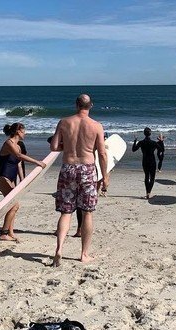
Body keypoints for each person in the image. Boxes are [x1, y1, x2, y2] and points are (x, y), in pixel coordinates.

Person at [50, 94, 108, 266]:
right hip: (87, 169)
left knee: (66, 212)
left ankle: (59, 249)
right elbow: (102, 153)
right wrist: (104, 176)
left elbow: (53, 146)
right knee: (87, 212)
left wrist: (67, 146)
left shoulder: (64, 122)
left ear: (76, 105)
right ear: (91, 106)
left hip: (68, 167)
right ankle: (84, 254)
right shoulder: (96, 126)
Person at [0, 122, 46, 241]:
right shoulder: (8, 143)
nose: (25, 133)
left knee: (12, 204)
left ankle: (10, 232)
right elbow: (18, 156)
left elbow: (18, 164)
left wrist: (23, 180)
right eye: (24, 131)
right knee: (14, 205)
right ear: (18, 131)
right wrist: (37, 162)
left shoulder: (18, 145)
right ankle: (3, 233)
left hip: (11, 178)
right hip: (2, 177)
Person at [132, 127, 164, 199]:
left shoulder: (141, 142)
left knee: (146, 176)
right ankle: (149, 193)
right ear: (150, 134)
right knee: (152, 178)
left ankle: (147, 193)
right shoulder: (153, 143)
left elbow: (133, 149)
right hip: (152, 161)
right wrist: (161, 141)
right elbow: (162, 150)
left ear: (144, 134)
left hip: (145, 161)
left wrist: (135, 141)